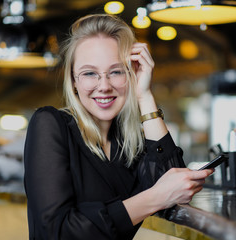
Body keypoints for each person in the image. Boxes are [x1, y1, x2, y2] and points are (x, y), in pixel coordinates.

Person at [24, 14, 213, 240]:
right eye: (90, 73)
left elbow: (176, 189)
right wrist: (156, 196)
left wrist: (144, 95)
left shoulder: (130, 145)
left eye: (116, 71)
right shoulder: (49, 124)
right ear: (73, 81)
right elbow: (59, 232)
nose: (104, 86)